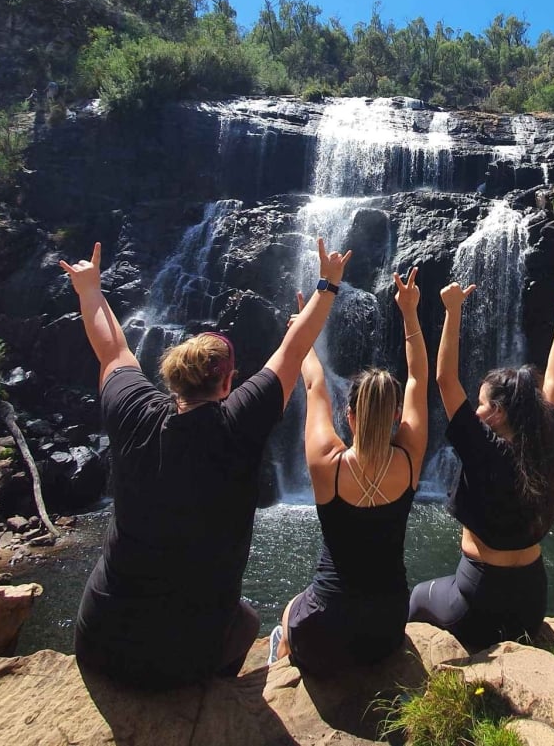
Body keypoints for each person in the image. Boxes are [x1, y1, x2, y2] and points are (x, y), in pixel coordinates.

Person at [62, 238, 352, 690]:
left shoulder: (132, 410)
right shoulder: (238, 423)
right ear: (228, 379)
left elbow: (112, 350)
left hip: (100, 638)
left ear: (170, 376)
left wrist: (89, 291)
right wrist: (327, 284)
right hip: (191, 652)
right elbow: (293, 351)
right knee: (247, 620)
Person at [273, 268, 430, 674]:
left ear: (350, 413)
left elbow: (314, 386)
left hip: (325, 624)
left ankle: (282, 655)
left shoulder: (328, 463)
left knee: (292, 608)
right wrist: (410, 313)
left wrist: (303, 331)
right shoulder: (410, 460)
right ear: (397, 416)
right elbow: (418, 379)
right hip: (386, 626)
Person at [408, 284, 554, 651]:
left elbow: (444, 380)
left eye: (481, 403)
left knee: (418, 598)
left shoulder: (482, 447)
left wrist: (452, 310)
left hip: (478, 599)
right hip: (532, 602)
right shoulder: (543, 438)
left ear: (498, 413)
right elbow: (553, 381)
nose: (476, 409)